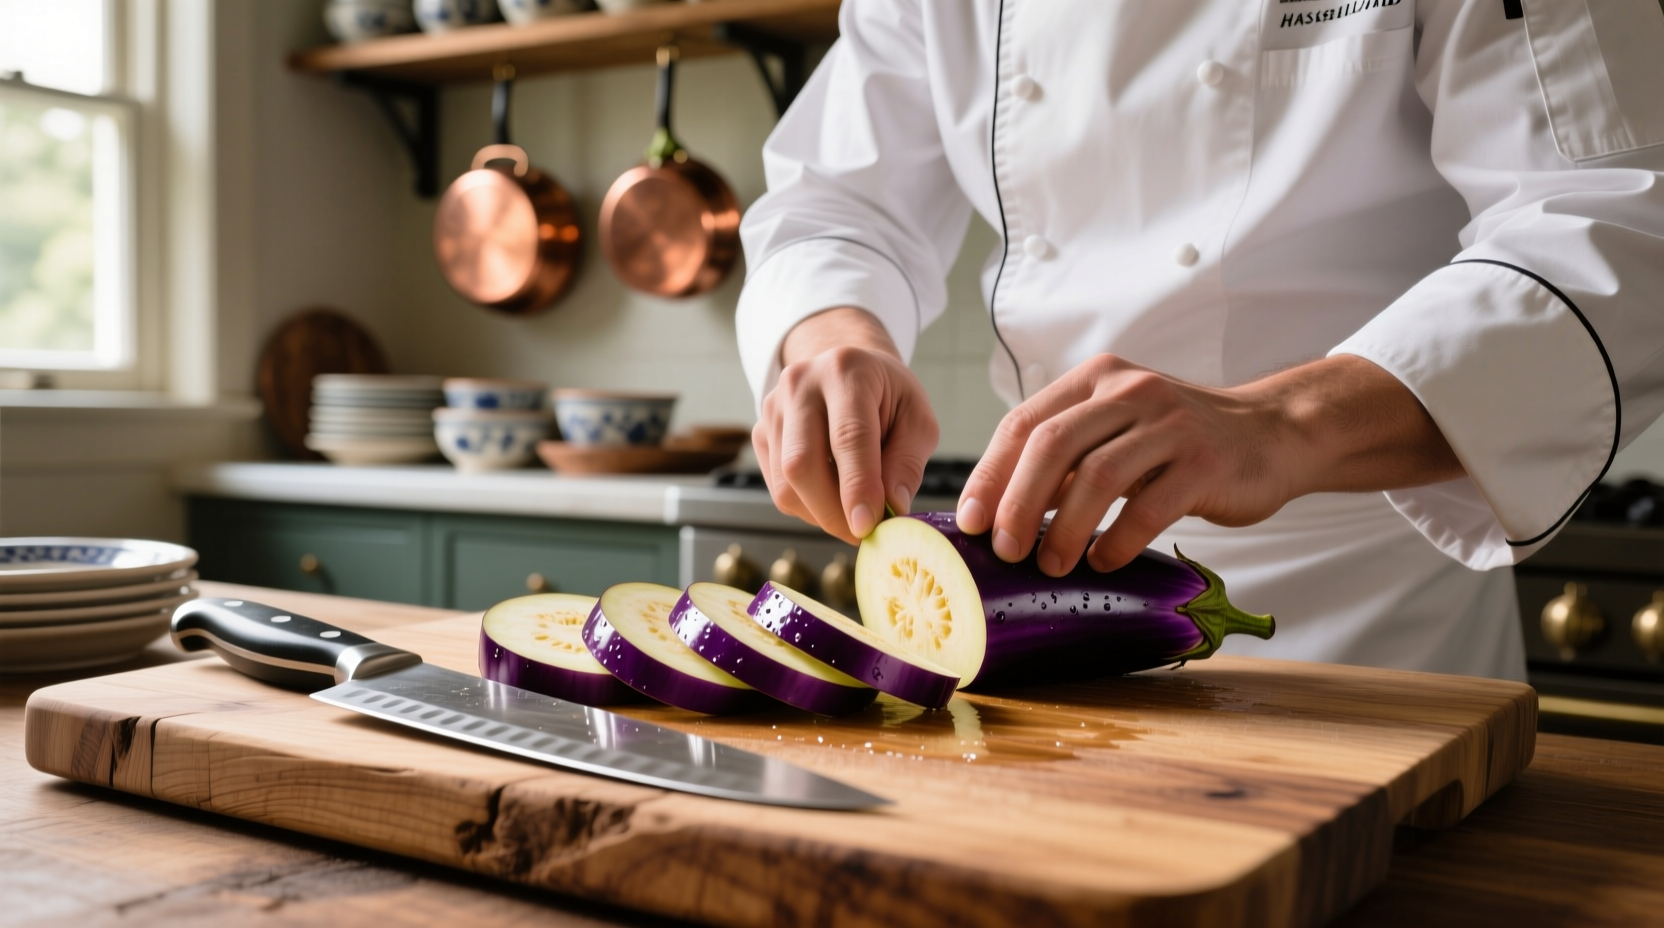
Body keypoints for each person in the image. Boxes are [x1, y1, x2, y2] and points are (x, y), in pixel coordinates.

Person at [734, 1, 1664, 680]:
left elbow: (1616, 218)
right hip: (1037, 610)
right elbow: (836, 199)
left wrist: (1282, 420)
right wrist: (829, 331)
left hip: (1369, 623)